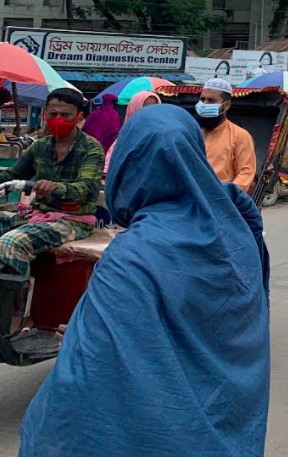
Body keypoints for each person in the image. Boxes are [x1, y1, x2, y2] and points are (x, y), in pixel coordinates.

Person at [20, 106, 270, 455]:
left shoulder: (133, 255)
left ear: (129, 162)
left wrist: (81, 332)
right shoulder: (239, 230)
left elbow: (84, 389)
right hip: (227, 428)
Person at [0, 88, 103, 275]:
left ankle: (15, 301)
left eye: (65, 114)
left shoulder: (91, 148)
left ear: (79, 116)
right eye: (53, 113)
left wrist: (57, 187)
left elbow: (86, 187)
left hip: (73, 221)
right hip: (35, 214)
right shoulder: (39, 146)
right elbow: (11, 175)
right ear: (45, 114)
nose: (58, 119)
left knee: (10, 242)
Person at [195, 78, 257, 194]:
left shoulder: (240, 136)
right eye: (202, 99)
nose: (205, 104)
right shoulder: (192, 132)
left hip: (222, 201)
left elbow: (246, 174)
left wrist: (224, 196)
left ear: (226, 105)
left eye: (211, 100)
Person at [103, 90, 160, 174]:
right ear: (134, 109)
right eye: (144, 109)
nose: (150, 113)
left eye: (154, 109)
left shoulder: (162, 137)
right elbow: (109, 169)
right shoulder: (124, 141)